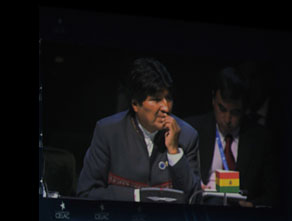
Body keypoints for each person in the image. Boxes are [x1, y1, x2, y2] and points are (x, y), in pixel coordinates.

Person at [76, 57, 201, 203]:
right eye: (156, 99)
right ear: (135, 104)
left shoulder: (187, 136)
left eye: (168, 98)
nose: (166, 108)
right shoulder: (108, 132)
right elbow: (86, 193)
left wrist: (174, 152)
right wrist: (137, 197)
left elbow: (194, 200)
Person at [185, 66, 279, 207]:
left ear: (245, 109)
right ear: (213, 100)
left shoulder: (261, 140)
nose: (227, 119)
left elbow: (272, 195)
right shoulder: (192, 130)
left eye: (235, 112)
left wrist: (250, 205)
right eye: (222, 109)